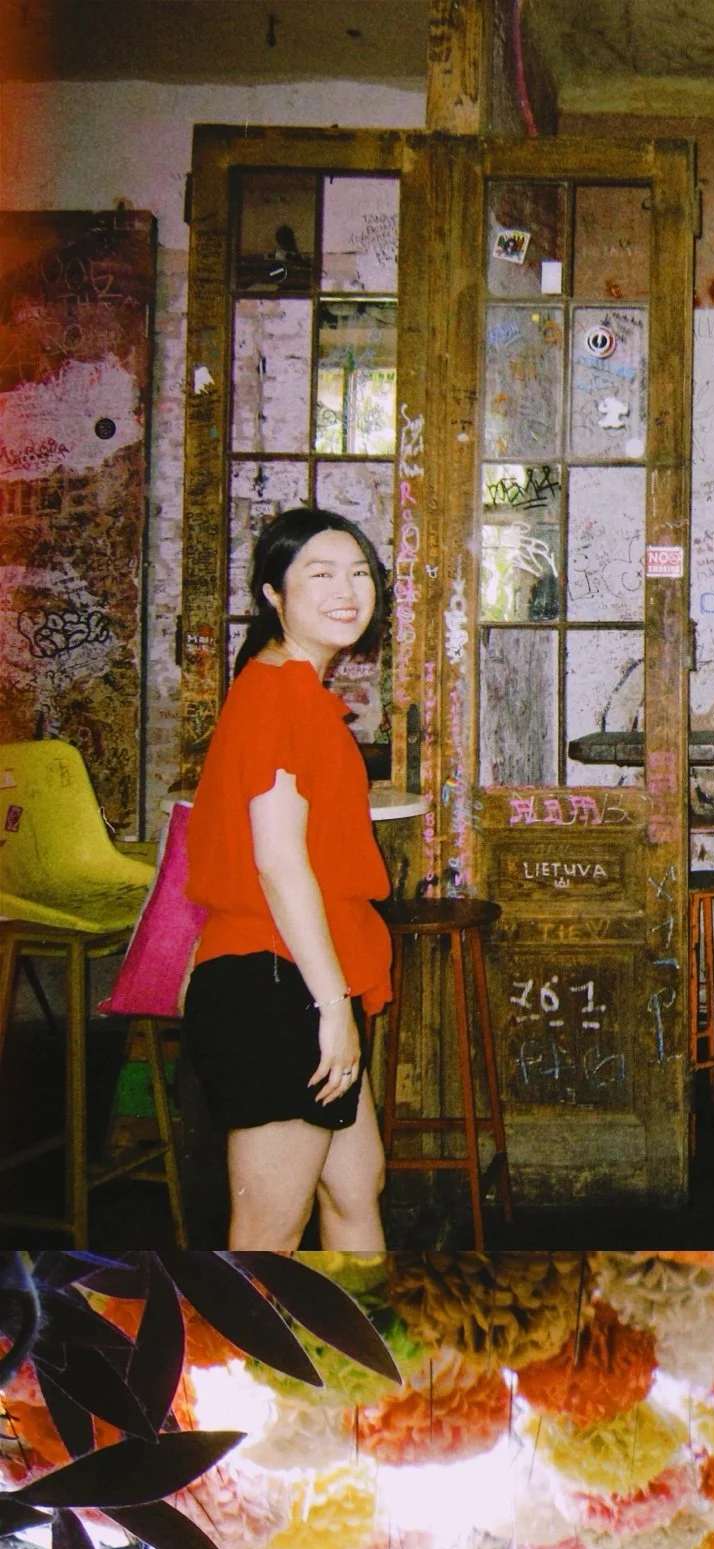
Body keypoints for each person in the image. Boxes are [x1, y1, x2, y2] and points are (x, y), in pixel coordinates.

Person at [183, 507, 392, 1252]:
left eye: (359, 573)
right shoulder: (275, 694)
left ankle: (368, 1330)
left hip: (299, 970)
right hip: (273, 982)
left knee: (355, 1187)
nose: (347, 590)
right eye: (321, 573)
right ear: (274, 593)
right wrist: (332, 1007)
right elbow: (277, 862)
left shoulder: (297, 690)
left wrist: (333, 999)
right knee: (268, 1232)